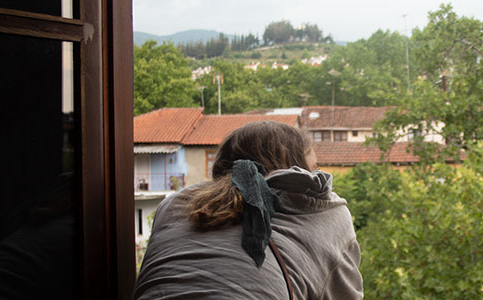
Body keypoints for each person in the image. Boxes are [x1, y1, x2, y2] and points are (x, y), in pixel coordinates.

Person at [134, 121, 363, 299]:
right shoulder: (323, 211)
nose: (316, 174)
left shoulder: (174, 205)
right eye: (313, 169)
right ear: (299, 172)